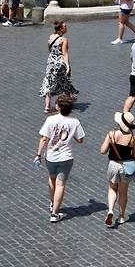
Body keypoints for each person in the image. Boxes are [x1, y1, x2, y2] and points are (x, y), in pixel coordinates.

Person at [34, 93, 85, 223]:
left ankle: (53, 203)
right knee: (61, 184)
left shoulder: (50, 120)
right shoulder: (75, 122)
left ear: (58, 107)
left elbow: (44, 138)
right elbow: (80, 140)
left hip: (51, 157)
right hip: (66, 158)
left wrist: (38, 155)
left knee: (52, 179)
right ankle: (55, 213)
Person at [100, 112, 135, 227]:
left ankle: (110, 210)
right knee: (123, 192)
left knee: (112, 188)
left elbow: (102, 151)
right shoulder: (134, 139)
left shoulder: (111, 134)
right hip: (126, 167)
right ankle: (122, 216)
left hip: (113, 165)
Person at [40, 21, 79, 112]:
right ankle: (66, 104)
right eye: (65, 26)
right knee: (65, 83)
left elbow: (50, 49)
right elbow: (65, 54)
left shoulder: (51, 37)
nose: (66, 28)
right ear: (61, 29)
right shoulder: (64, 40)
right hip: (60, 63)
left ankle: (47, 107)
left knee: (49, 83)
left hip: (51, 62)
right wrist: (68, 66)